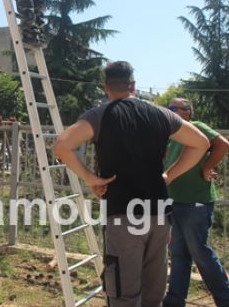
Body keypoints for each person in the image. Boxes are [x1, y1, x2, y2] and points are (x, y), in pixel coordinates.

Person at [53, 61, 210, 307]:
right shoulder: (161, 114)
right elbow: (201, 143)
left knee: (124, 295)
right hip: (159, 216)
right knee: (153, 295)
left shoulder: (100, 115)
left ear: (106, 87)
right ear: (133, 85)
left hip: (122, 216)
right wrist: (169, 175)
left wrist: (91, 179)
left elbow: (62, 146)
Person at [162, 98, 229, 307]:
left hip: (196, 200)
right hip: (175, 200)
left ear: (187, 112)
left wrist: (207, 166)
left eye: (172, 109)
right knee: (179, 252)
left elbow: (222, 144)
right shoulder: (170, 136)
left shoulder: (196, 128)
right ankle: (175, 300)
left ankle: (227, 298)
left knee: (199, 250)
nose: (168, 112)